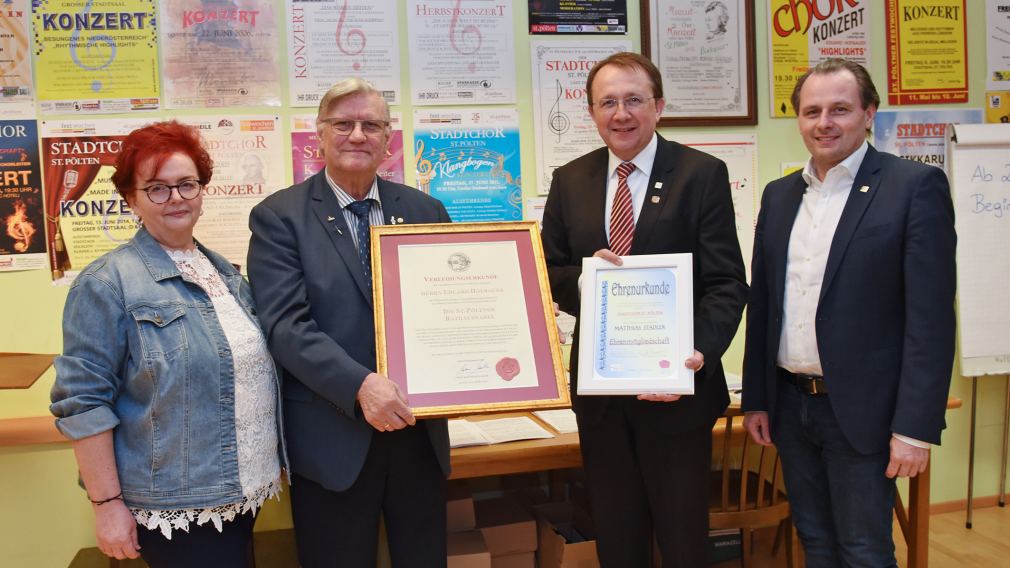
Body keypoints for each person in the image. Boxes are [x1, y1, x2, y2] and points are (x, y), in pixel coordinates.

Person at [742, 59, 956, 566]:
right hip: (792, 407)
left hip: (863, 413)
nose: (824, 122)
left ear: (869, 114)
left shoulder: (912, 187)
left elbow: (930, 321)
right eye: (812, 111)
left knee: (863, 548)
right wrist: (758, 399)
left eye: (840, 109)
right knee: (815, 540)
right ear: (798, 119)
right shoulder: (779, 196)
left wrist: (914, 428)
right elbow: (766, 305)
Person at [540, 52, 748, 567]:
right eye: (608, 102)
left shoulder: (701, 174)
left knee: (682, 540)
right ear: (591, 112)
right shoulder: (570, 179)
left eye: (634, 100)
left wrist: (696, 348)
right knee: (617, 536)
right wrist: (589, 278)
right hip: (604, 395)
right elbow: (549, 271)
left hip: (676, 392)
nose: (621, 113)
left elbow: (726, 282)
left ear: (658, 106)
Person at [50, 121, 284, 567]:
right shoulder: (106, 283)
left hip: (245, 490)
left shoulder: (226, 274)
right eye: (156, 188)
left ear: (201, 190)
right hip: (174, 505)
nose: (175, 198)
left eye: (186, 185)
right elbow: (81, 403)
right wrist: (106, 506)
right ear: (131, 199)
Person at [246, 78, 452, 568]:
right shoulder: (279, 217)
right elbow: (285, 327)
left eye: (371, 125)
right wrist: (361, 386)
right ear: (318, 135)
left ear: (388, 139)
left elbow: (448, 309)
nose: (357, 135)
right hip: (332, 439)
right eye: (343, 124)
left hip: (417, 436)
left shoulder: (425, 211)